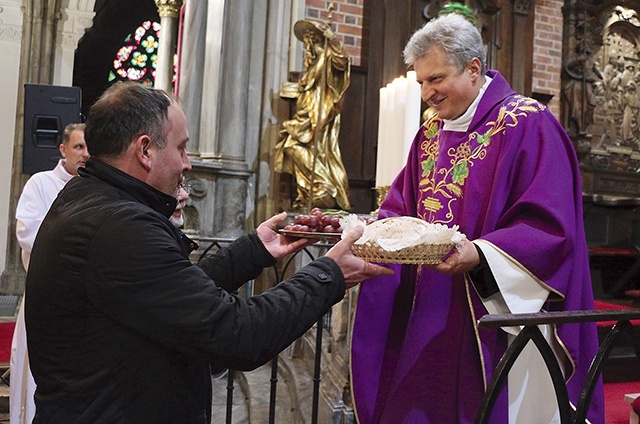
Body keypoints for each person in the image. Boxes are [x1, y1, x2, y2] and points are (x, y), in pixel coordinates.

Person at [24, 82, 393, 423]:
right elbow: (237, 333)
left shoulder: (93, 199)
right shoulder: (120, 226)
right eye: (181, 147)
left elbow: (169, 298)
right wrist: (328, 274)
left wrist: (254, 251)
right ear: (145, 150)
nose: (187, 163)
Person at [350, 13, 603, 423]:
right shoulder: (430, 133)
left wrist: (481, 254)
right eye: (421, 82)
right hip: (429, 305)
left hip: (493, 308)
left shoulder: (528, 122)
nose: (427, 94)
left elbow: (551, 228)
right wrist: (372, 232)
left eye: (436, 79)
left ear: (473, 69)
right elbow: (401, 205)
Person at [11, 123, 88, 424]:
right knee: (35, 378)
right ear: (63, 150)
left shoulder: (94, 188)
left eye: (89, 148)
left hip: (81, 301)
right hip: (47, 294)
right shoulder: (40, 184)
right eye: (79, 147)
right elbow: (28, 232)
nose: (85, 154)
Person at [274, 19, 351, 211]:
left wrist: (331, 40)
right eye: (307, 43)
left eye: (313, 41)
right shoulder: (311, 70)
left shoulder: (328, 61)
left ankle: (325, 186)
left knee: (294, 145)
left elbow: (342, 60)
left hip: (320, 115)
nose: (309, 47)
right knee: (291, 146)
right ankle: (313, 189)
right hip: (306, 115)